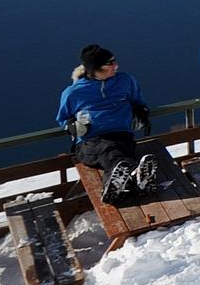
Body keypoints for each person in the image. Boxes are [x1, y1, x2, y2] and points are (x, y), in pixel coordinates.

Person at [53, 44, 181, 200]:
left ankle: (121, 186)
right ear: (93, 71)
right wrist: (72, 127)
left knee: (118, 151)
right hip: (89, 142)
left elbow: (138, 101)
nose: (115, 67)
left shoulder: (125, 81)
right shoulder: (73, 93)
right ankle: (135, 176)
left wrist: (141, 112)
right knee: (109, 150)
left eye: (114, 62)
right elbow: (63, 118)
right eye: (108, 66)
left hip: (121, 135)